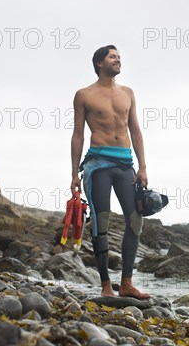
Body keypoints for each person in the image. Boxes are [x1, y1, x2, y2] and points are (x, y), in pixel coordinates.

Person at [70, 44, 150, 299]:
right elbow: (78, 134)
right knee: (101, 222)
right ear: (99, 63)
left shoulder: (128, 93)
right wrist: (74, 174)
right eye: (113, 57)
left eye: (119, 57)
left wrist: (143, 166)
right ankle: (106, 286)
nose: (118, 60)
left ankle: (126, 283)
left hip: (126, 165)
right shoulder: (84, 94)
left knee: (135, 220)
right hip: (98, 166)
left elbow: (135, 131)